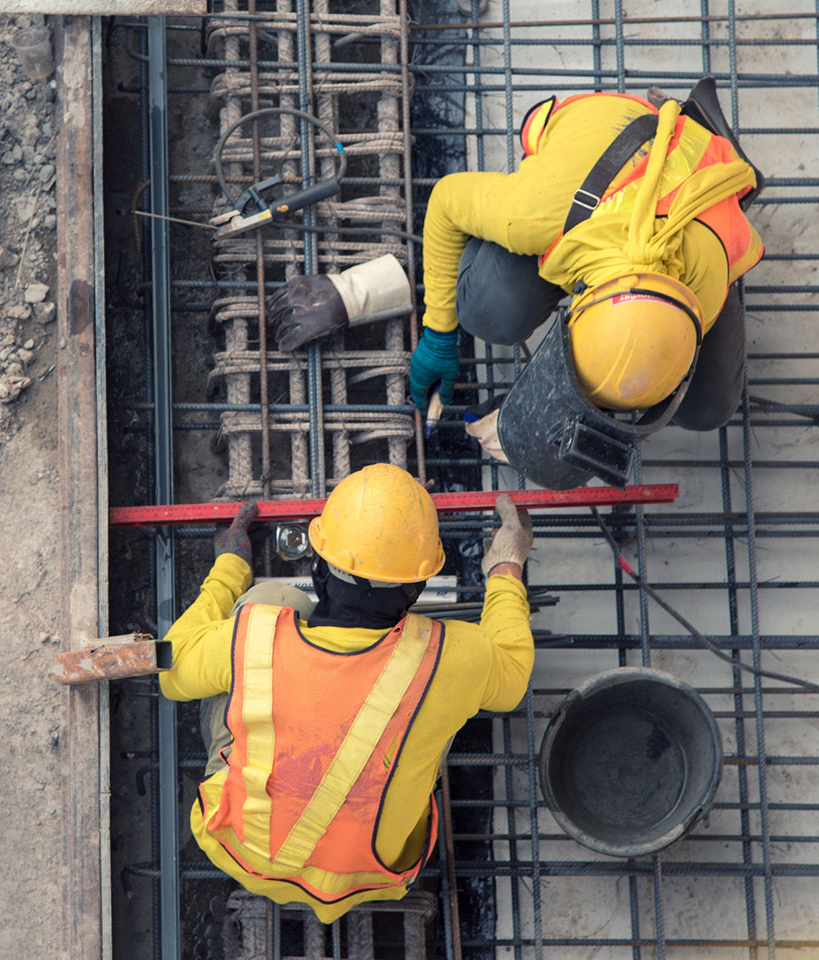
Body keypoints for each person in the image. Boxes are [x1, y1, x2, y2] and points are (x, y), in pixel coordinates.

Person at [266, 80, 764, 488]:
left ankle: (706, 134)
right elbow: (444, 203)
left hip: (699, 196)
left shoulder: (710, 273)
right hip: (606, 142)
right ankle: (677, 117)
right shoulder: (537, 213)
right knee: (486, 310)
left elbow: (635, 370)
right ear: (579, 304)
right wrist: (439, 331)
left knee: (708, 408)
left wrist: (535, 421)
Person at [157, 464, 534, 922]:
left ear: (318, 572)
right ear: (417, 589)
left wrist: (230, 566)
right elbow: (513, 673)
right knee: (437, 703)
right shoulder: (451, 656)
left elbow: (171, 671)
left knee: (270, 601)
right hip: (374, 875)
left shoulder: (256, 636)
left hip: (240, 849)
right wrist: (506, 566)